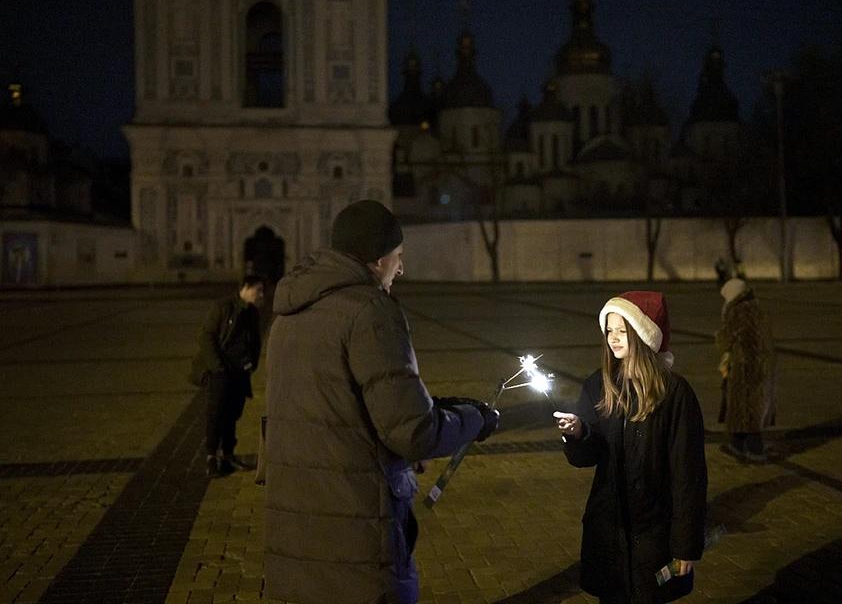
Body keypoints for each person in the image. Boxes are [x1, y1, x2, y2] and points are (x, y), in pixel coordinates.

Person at [262, 199, 500, 604]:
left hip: (294, 524)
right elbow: (415, 433)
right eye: (398, 257)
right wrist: (475, 420)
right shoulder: (371, 311)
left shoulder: (289, 313)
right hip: (356, 528)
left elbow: (339, 411)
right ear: (377, 258)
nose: (402, 269)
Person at [553, 291, 708, 603]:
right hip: (608, 531)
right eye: (609, 330)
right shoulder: (599, 384)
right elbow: (586, 457)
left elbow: (688, 476)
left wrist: (686, 545)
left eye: (622, 330)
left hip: (653, 532)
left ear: (642, 333)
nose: (614, 338)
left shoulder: (674, 393)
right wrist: (578, 432)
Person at [189, 274, 266, 478]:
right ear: (246, 288)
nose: (261, 294)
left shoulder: (252, 313)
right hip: (221, 370)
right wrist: (217, 367)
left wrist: (252, 364)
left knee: (233, 413)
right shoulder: (223, 307)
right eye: (258, 290)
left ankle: (228, 454)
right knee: (216, 413)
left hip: (240, 371)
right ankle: (212, 457)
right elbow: (206, 336)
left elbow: (255, 341)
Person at [716, 277, 777, 463]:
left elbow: (725, 338)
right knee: (744, 407)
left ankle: (755, 451)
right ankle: (737, 443)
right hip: (762, 363)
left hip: (745, 365)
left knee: (746, 407)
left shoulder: (738, 310)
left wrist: (718, 338)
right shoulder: (755, 306)